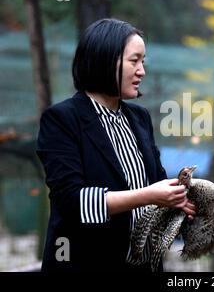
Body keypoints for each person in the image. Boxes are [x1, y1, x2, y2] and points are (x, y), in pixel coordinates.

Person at [36, 18, 195, 271]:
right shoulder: (62, 120)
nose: (142, 70)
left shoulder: (139, 118)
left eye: (143, 61)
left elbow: (158, 184)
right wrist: (147, 195)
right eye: (134, 61)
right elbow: (72, 201)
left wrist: (182, 200)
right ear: (106, 60)